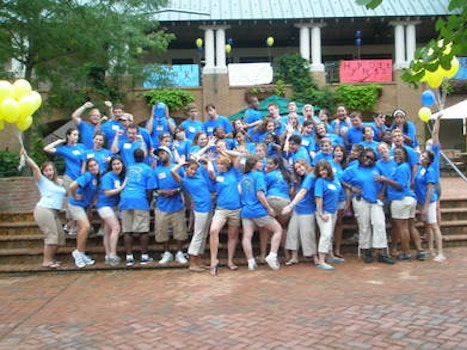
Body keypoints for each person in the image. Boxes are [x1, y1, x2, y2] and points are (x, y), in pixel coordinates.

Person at [341, 148, 394, 265]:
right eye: (366, 156)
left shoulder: (377, 168)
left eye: (371, 158)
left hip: (375, 200)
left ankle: (381, 252)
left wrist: (382, 193)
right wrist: (351, 188)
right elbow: (341, 179)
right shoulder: (353, 169)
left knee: (379, 224)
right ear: (361, 156)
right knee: (364, 226)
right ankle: (367, 252)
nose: (368, 160)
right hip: (361, 200)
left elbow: (384, 180)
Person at [376, 147, 426, 261]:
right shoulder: (400, 167)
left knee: (402, 228)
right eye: (395, 154)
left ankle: (406, 252)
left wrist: (385, 179)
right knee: (411, 226)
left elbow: (400, 186)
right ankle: (420, 250)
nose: (397, 156)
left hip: (401, 199)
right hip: (408, 199)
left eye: (399, 154)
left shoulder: (402, 168)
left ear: (405, 156)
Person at [21, 148, 67, 269]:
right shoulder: (41, 181)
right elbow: (35, 168)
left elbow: (66, 192)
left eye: (51, 170)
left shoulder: (58, 183)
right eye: (46, 170)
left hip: (54, 212)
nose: (49, 172)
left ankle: (52, 258)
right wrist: (26, 156)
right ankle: (46, 261)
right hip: (44, 209)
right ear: (43, 172)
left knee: (60, 236)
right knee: (51, 235)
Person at [239, 156, 283, 271]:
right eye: (260, 162)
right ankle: (272, 255)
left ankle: (250, 261)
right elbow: (260, 194)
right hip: (258, 210)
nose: (262, 164)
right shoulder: (259, 175)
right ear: (254, 164)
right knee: (278, 230)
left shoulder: (244, 177)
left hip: (246, 210)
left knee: (247, 236)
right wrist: (268, 208)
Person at [170, 159, 213, 272]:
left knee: (203, 235)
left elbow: (199, 161)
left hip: (208, 207)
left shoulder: (198, 175)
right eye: (190, 169)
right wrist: (180, 164)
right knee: (198, 235)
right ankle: (192, 262)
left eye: (194, 169)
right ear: (186, 169)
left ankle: (199, 260)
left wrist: (204, 160)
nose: (193, 171)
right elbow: (172, 172)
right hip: (200, 209)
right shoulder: (185, 181)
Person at [43, 127, 86, 234]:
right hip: (69, 177)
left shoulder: (82, 147)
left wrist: (83, 174)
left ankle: (71, 224)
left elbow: (85, 160)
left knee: (79, 200)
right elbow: (46, 149)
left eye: (77, 135)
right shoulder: (64, 148)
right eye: (74, 135)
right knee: (72, 200)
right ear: (68, 136)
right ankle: (71, 224)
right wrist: (59, 141)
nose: (76, 137)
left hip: (80, 178)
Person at [119, 149, 156, 266]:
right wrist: (148, 201)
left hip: (125, 199)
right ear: (144, 156)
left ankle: (129, 257)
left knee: (127, 230)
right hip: (140, 199)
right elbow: (150, 189)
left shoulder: (128, 168)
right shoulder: (148, 169)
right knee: (143, 229)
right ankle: (144, 256)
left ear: (133, 156)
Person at [206, 155, 242, 275]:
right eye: (218, 164)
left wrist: (223, 151)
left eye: (221, 164)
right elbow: (210, 171)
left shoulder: (234, 173)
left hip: (236, 209)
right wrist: (209, 161)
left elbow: (238, 155)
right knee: (213, 230)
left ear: (226, 165)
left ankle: (230, 261)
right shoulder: (216, 177)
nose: (218, 166)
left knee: (232, 236)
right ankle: (213, 260)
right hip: (221, 209)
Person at [153, 146, 189, 265]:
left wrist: (176, 190)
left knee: (179, 230)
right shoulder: (156, 170)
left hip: (176, 203)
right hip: (161, 204)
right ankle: (167, 252)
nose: (161, 156)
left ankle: (179, 252)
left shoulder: (177, 168)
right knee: (162, 230)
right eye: (159, 154)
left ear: (169, 154)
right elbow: (154, 187)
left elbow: (184, 183)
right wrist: (161, 192)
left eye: (163, 153)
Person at [281, 159, 317, 265]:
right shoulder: (301, 179)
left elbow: (302, 192)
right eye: (296, 168)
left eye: (300, 167)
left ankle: (314, 257)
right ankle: (294, 257)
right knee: (293, 232)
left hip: (307, 210)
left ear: (305, 165)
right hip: (298, 209)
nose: (299, 170)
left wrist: (290, 206)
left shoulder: (310, 177)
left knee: (308, 234)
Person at [414, 150, 446, 263]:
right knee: (427, 225)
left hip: (429, 202)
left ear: (429, 161)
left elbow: (430, 190)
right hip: (421, 201)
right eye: (422, 156)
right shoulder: (420, 168)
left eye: (425, 158)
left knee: (434, 225)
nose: (422, 158)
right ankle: (431, 249)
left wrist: (426, 207)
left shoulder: (430, 171)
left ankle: (440, 252)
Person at [68, 158, 100, 268]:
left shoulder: (96, 178)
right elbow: (72, 186)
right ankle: (78, 253)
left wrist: (90, 207)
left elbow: (93, 194)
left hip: (84, 206)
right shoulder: (87, 176)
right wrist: (74, 195)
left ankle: (81, 253)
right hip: (75, 205)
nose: (94, 167)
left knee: (84, 229)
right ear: (88, 168)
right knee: (85, 227)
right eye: (91, 166)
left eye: (95, 165)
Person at [96, 156, 127, 266]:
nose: (116, 166)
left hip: (114, 206)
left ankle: (108, 255)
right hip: (104, 205)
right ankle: (113, 254)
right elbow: (107, 192)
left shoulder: (120, 177)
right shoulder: (108, 177)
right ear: (111, 166)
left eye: (118, 164)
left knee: (108, 231)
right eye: (114, 164)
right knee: (116, 228)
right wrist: (122, 187)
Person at [314, 160, 344, 270]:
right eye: (320, 170)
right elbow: (318, 198)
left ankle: (330, 255)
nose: (322, 172)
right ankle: (321, 260)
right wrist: (321, 213)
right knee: (325, 235)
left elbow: (339, 194)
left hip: (333, 210)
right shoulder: (319, 182)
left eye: (324, 169)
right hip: (324, 212)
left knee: (329, 234)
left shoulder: (335, 180)